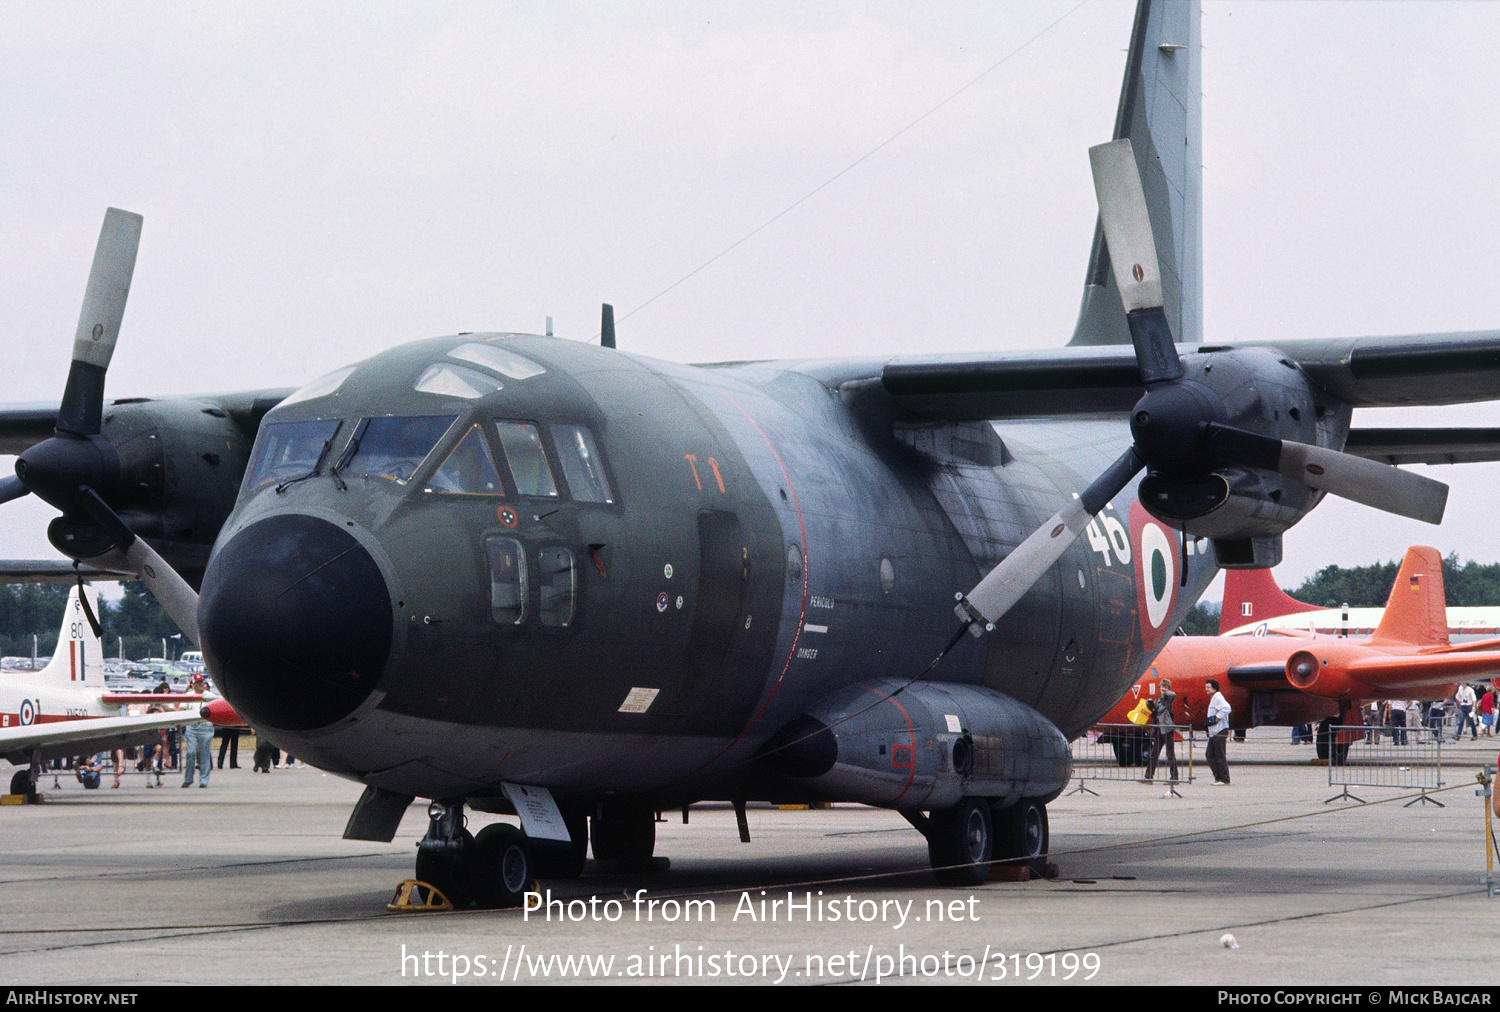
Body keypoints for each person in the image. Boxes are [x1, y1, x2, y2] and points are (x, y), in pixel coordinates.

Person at [180, 675, 214, 788]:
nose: (201, 684)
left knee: (204, 754)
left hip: (205, 727)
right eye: (198, 682)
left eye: (202, 682)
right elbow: (181, 708)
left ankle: (204, 779)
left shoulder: (210, 696)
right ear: (193, 684)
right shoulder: (188, 696)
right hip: (192, 727)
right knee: (191, 753)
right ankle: (188, 778)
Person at [1143, 678, 1180, 783]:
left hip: (1167, 729)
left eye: (1166, 687)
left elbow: (1173, 695)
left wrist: (1166, 692)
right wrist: (1151, 707)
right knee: (1154, 753)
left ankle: (1174, 778)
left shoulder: (1168, 699)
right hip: (1159, 728)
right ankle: (1148, 777)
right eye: (1162, 687)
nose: (1163, 689)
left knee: (1170, 754)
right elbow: (1155, 714)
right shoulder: (1158, 700)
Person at [1205, 679, 1232, 785]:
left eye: (1208, 687)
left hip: (1220, 730)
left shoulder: (1217, 697)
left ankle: (1224, 779)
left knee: (1219, 754)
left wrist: (1217, 718)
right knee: (1210, 754)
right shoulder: (1214, 698)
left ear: (1214, 688)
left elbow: (1227, 708)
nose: (1206, 689)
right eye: (1206, 687)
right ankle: (1218, 777)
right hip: (1214, 731)